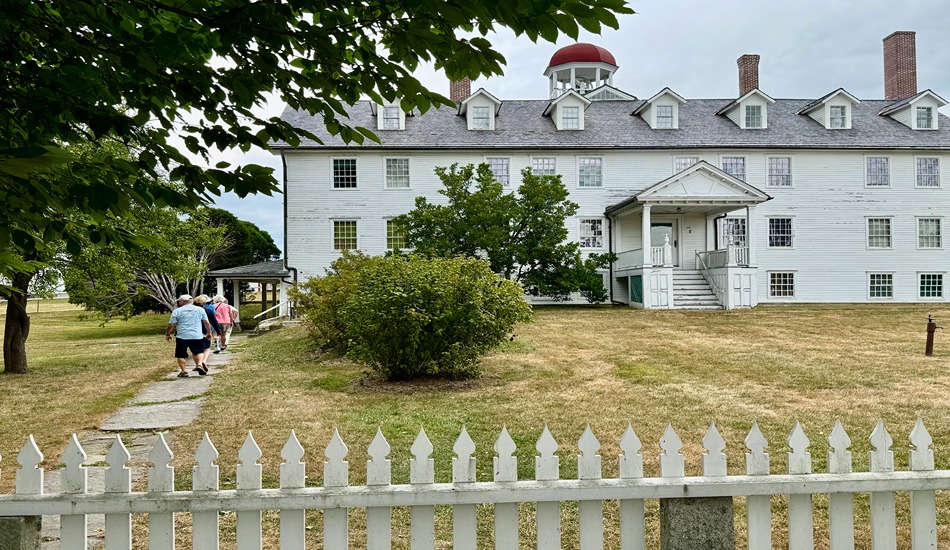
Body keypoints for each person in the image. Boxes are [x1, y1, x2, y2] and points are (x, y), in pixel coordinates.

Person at [166, 294, 211, 377]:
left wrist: (168, 334)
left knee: (180, 354)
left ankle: (184, 371)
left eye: (179, 301)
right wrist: (209, 332)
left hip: (182, 336)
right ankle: (199, 364)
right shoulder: (200, 309)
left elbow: (171, 325)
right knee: (199, 351)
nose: (179, 302)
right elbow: (206, 322)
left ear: (182, 301)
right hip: (196, 335)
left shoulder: (177, 311)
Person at [194, 294, 221, 371]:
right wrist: (218, 331)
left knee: (195, 350)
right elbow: (214, 321)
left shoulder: (192, 311)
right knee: (207, 348)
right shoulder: (208, 310)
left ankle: (197, 365)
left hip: (194, 332)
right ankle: (204, 361)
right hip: (205, 332)